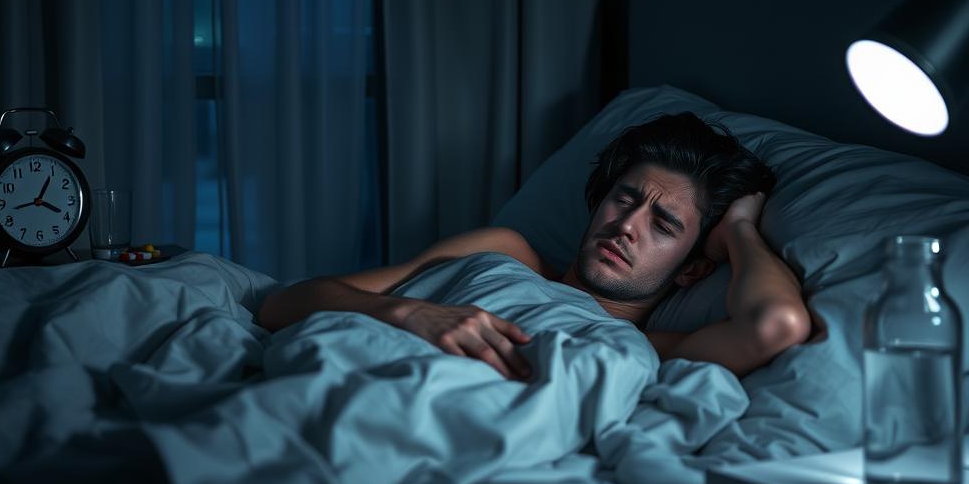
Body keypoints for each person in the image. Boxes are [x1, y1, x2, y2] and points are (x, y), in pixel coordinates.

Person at [258, 112, 811, 380]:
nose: (627, 226)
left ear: (691, 270)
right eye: (625, 199)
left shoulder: (652, 347)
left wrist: (739, 230)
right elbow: (282, 304)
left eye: (663, 224)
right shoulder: (505, 252)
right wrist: (410, 314)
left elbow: (775, 326)